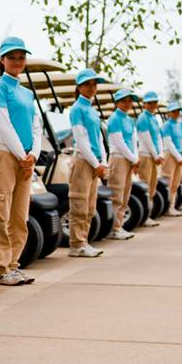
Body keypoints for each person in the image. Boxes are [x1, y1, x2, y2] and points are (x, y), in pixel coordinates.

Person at [0, 36, 42, 285]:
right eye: (12, 57)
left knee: (19, 216)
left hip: (26, 159)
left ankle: (13, 264)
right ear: (2, 60)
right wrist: (22, 156)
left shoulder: (27, 92)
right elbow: (3, 124)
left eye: (21, 57)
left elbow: (36, 125)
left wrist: (33, 155)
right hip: (6, 156)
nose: (17, 61)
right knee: (0, 213)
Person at [67, 68, 107, 257]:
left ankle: (84, 241)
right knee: (79, 204)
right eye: (87, 84)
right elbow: (81, 140)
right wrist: (96, 163)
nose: (91, 88)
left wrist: (103, 161)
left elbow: (98, 138)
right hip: (83, 161)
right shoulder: (77, 109)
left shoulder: (92, 110)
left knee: (90, 206)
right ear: (79, 87)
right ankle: (76, 245)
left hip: (94, 162)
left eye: (94, 84)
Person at [106, 89, 140, 240]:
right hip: (118, 158)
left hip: (129, 159)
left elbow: (133, 141)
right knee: (116, 194)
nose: (127, 103)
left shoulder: (129, 120)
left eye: (129, 101)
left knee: (125, 194)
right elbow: (119, 143)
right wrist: (133, 158)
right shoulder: (114, 118)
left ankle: (118, 226)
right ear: (117, 102)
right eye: (124, 101)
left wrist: (135, 158)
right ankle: (112, 228)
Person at [136, 91, 163, 227]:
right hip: (146, 155)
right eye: (150, 102)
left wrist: (160, 154)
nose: (152, 105)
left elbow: (158, 137)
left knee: (152, 186)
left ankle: (148, 215)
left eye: (154, 102)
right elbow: (147, 139)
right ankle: (144, 216)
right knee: (146, 185)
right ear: (144, 104)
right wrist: (156, 155)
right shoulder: (143, 118)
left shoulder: (154, 118)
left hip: (154, 156)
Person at [160, 100, 182, 217]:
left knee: (176, 183)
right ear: (169, 113)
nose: (176, 113)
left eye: (178, 111)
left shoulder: (178, 125)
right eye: (174, 111)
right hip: (170, 155)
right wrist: (178, 156)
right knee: (169, 182)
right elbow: (168, 142)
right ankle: (166, 208)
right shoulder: (166, 125)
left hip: (179, 156)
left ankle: (172, 206)